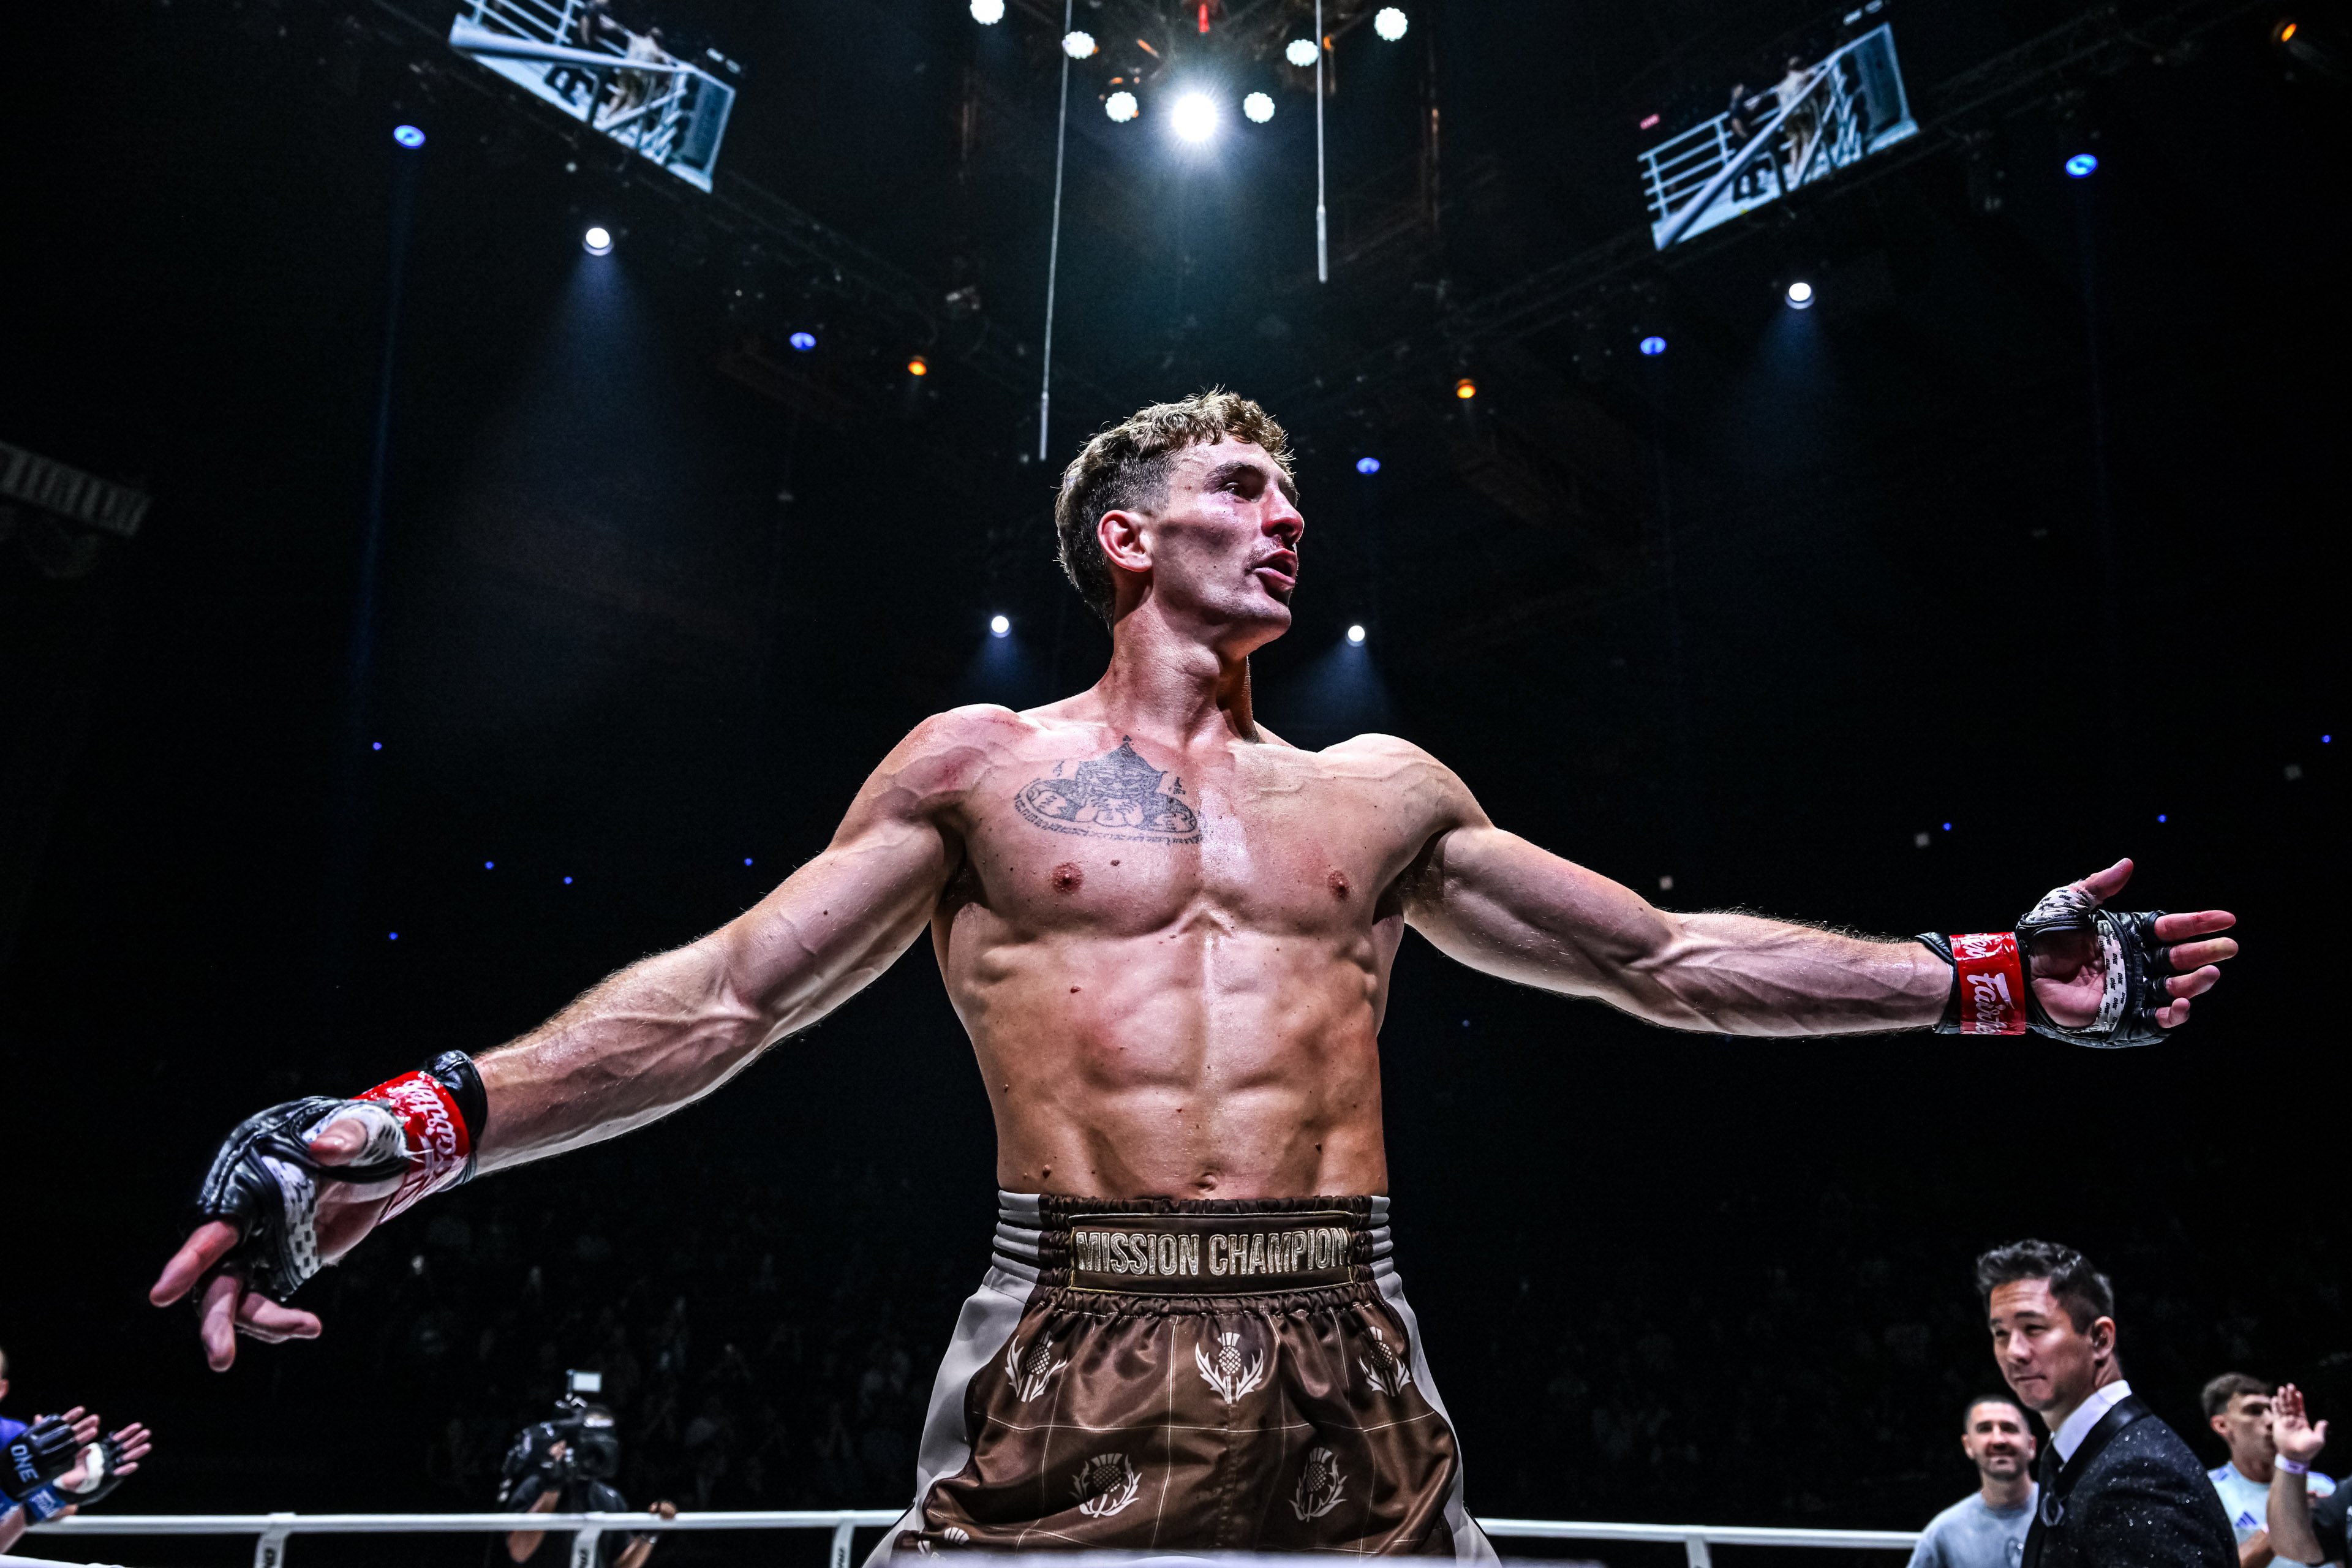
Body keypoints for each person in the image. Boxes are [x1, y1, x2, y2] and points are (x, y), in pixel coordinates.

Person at [149, 392, 2241, 1559]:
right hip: (1070, 1321)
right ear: (1124, 534)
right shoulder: (980, 770)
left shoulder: (1383, 792)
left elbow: (1672, 960)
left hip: (1352, 1330)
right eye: (1243, 485)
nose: (1289, 513)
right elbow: (722, 1002)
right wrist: (420, 1126)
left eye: (1299, 490)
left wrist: (1977, 982)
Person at [1978, 1240, 2234, 1568]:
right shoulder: (2084, 1456)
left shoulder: (2137, 1475)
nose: (2014, 1352)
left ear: (2100, 1340)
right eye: (2001, 1334)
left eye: (2033, 1328)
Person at [0, 1349, 156, 1557]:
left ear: (1, 1389)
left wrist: (58, 1489)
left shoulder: (12, 1437)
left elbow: (62, 1509)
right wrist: (7, 1490)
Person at [499, 1396, 675, 1568]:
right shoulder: (535, 1487)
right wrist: (552, 1489)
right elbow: (519, 1553)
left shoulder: (609, 1499)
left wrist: (649, 1535)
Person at [2206, 1374, 2339, 1564]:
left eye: (2272, 1410)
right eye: (2254, 1411)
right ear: (2222, 1425)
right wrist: (2289, 1517)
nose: (2270, 1421)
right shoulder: (2210, 1493)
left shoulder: (2322, 1485)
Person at [1910, 1395, 2040, 1568]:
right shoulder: (1944, 1533)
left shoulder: (2065, 1513)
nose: (1998, 1440)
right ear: (1968, 1445)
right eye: (1985, 1429)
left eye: (2009, 1428)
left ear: (2031, 1445)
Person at [2266, 1384, 2340, 1566]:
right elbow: (2293, 1548)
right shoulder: (2349, 1492)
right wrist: (2292, 1460)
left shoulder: (2323, 1483)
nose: (2267, 1421)